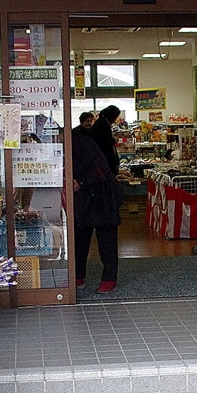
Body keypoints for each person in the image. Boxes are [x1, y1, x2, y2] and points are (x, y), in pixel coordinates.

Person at [71, 115, 124, 294]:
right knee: (79, 238)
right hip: (83, 196)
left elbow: (100, 167)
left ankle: (109, 278)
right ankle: (78, 276)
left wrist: (81, 181)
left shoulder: (81, 143)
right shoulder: (72, 141)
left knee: (106, 241)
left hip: (103, 194)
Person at [90, 105, 122, 172]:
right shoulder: (103, 124)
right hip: (104, 158)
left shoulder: (101, 122)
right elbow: (105, 142)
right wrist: (114, 140)